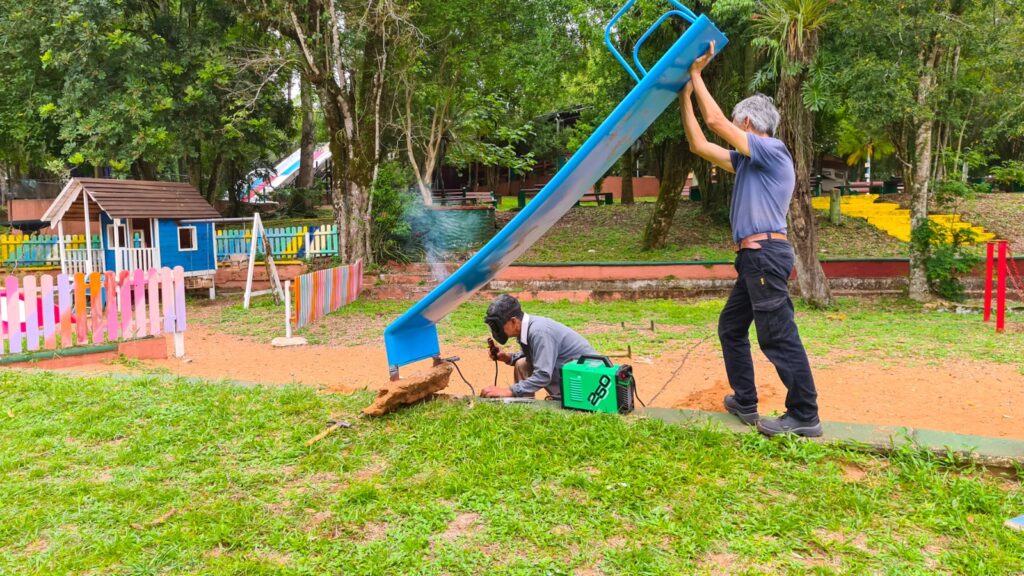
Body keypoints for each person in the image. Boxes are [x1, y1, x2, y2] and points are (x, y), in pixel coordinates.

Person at [679, 42, 822, 437]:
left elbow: (714, 123)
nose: (732, 129)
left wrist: (696, 74)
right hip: (751, 259)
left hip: (765, 254)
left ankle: (805, 415)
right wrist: (685, 97)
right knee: (731, 327)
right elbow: (700, 145)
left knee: (777, 335)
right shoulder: (747, 161)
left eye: (735, 124)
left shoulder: (772, 151)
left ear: (745, 122)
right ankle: (745, 400)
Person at [479, 294, 597, 401]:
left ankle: (563, 401)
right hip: (573, 376)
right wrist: (507, 357)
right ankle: (524, 404)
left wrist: (509, 391)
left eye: (497, 326)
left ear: (514, 321)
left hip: (592, 385)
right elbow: (535, 354)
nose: (495, 331)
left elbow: (543, 375)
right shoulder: (528, 328)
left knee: (524, 365)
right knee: (522, 364)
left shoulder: (539, 332)